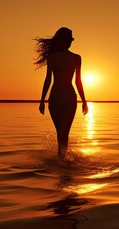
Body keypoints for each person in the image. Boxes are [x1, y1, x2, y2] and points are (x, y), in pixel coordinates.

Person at [34, 27, 88, 160]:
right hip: (55, 99)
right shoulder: (53, 58)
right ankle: (61, 160)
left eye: (72, 39)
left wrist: (84, 101)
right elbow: (48, 79)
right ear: (64, 40)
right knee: (60, 133)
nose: (71, 42)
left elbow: (78, 81)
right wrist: (42, 101)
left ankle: (61, 160)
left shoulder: (76, 58)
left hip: (69, 98)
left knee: (64, 132)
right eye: (70, 39)